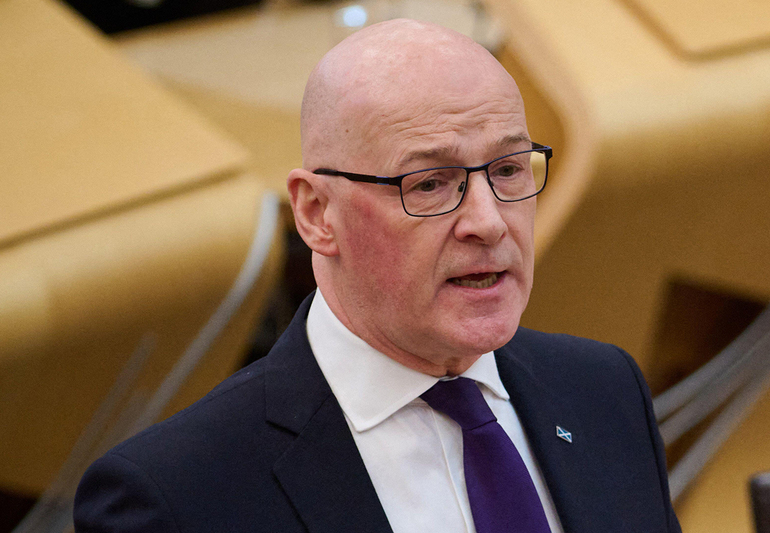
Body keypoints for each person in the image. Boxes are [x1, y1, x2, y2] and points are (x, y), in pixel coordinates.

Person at [74, 19, 681, 533]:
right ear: (316, 214)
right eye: (429, 184)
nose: (489, 222)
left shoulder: (604, 391)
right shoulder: (179, 497)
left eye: (509, 169)